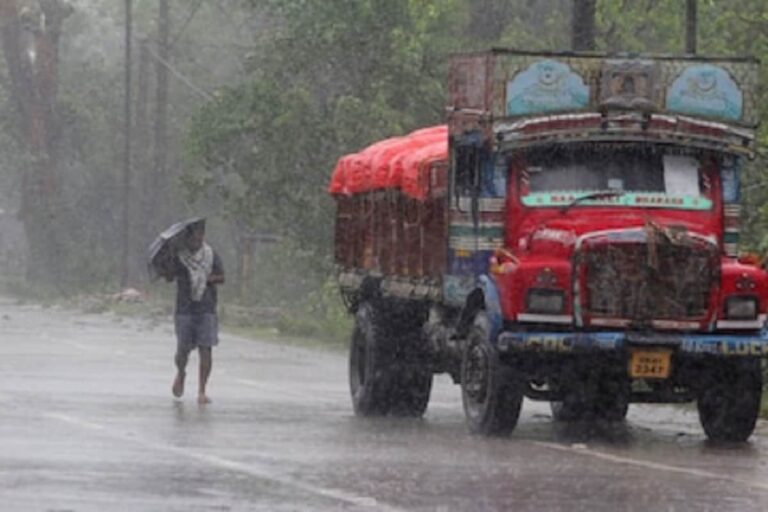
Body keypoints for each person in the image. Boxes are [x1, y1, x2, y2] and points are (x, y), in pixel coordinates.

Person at [170, 221, 225, 404]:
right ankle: (181, 372)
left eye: (201, 235)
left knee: (206, 349)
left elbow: (221, 277)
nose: (198, 239)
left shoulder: (210, 255)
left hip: (206, 308)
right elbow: (170, 275)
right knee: (182, 350)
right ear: (188, 238)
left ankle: (202, 390)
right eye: (195, 236)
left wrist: (207, 278)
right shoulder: (179, 257)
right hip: (185, 309)